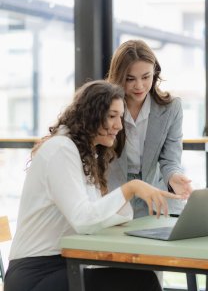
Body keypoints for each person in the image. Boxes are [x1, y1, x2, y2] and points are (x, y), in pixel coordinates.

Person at [4, 80, 183, 291]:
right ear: (91, 115)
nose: (119, 125)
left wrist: (123, 200)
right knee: (141, 281)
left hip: (65, 265)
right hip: (36, 275)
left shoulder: (84, 154)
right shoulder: (61, 149)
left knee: (139, 276)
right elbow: (84, 220)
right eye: (112, 116)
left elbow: (100, 216)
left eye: (121, 117)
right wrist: (130, 188)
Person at [106, 39, 192, 218]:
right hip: (116, 198)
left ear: (155, 73)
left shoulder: (171, 108)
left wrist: (173, 177)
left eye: (146, 77)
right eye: (130, 79)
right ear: (119, 77)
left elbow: (170, 159)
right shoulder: (105, 107)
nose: (139, 86)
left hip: (157, 197)